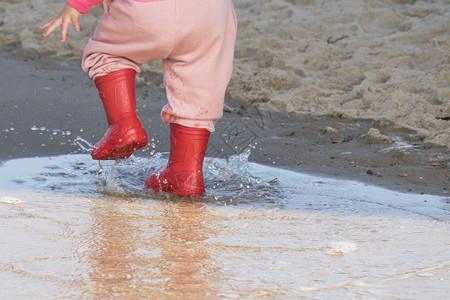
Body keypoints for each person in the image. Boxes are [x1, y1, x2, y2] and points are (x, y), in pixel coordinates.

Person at [40, 0, 237, 197]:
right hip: (208, 14)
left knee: (108, 54)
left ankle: (124, 125)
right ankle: (185, 173)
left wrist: (76, 4)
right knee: (201, 79)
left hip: (147, 10)